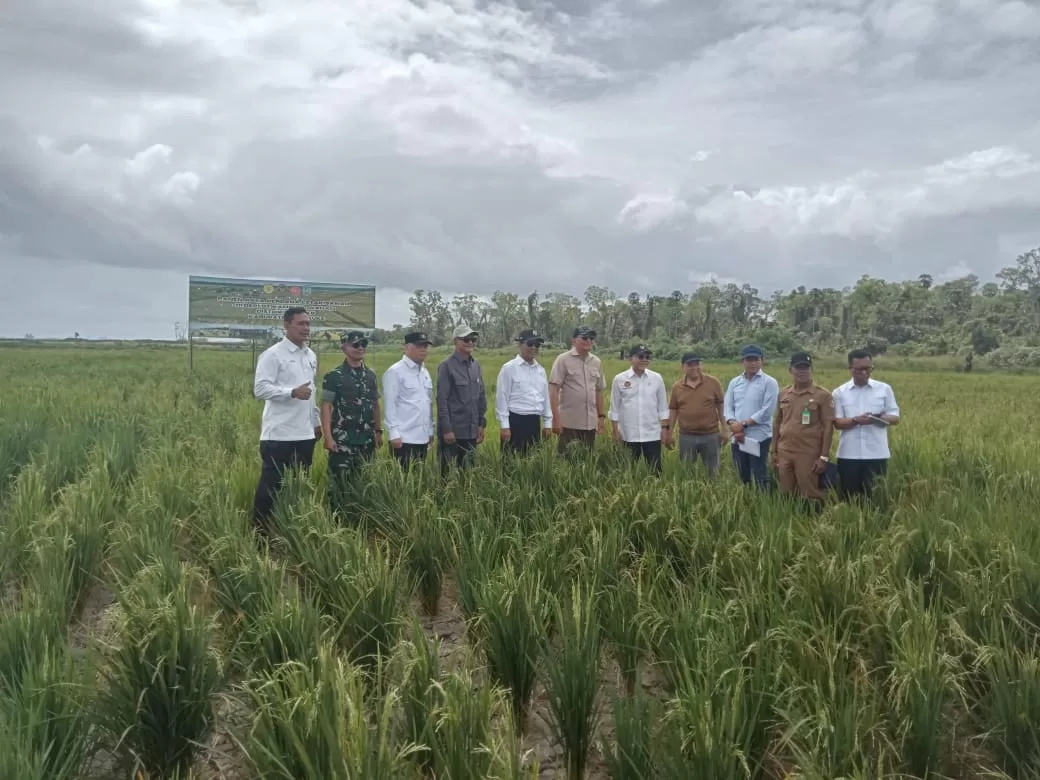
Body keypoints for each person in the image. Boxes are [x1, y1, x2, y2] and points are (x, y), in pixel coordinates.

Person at [251, 306, 322, 529]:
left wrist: (316, 422)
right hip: (279, 434)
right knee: (271, 487)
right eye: (301, 323)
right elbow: (260, 389)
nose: (306, 328)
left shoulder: (310, 355)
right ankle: (260, 532)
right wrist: (291, 392)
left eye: (308, 324)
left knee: (298, 485)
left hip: (304, 434)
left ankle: (291, 527)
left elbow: (312, 393)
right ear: (286, 325)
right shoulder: (273, 355)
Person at [320, 330, 381, 518]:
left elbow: (375, 405)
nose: (360, 348)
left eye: (364, 344)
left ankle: (360, 517)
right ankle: (337, 521)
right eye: (356, 344)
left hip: (366, 441)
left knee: (364, 483)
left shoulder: (371, 375)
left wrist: (378, 432)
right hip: (342, 442)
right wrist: (328, 437)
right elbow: (326, 407)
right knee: (339, 485)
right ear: (344, 347)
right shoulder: (334, 376)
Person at [832, 348, 901, 500]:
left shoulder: (884, 389)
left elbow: (895, 417)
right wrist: (856, 420)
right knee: (848, 498)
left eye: (867, 369)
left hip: (876, 453)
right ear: (850, 369)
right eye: (859, 369)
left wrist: (882, 418)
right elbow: (837, 422)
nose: (864, 373)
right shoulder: (839, 392)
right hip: (849, 454)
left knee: (875, 497)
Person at [770, 352, 835, 509]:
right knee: (786, 490)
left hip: (808, 452)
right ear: (790, 370)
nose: (801, 371)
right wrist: (774, 451)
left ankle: (813, 523)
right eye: (798, 367)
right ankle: (789, 521)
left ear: (811, 369)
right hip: (785, 450)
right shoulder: (784, 393)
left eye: (805, 368)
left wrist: (824, 457)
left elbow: (828, 427)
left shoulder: (822, 395)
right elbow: (778, 422)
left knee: (809, 491)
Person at [724, 344, 779, 491]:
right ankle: (746, 503)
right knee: (742, 474)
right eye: (749, 360)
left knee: (759, 474)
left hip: (758, 437)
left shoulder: (769, 382)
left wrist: (742, 424)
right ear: (742, 361)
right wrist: (732, 422)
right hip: (737, 437)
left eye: (756, 359)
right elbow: (728, 406)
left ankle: (763, 505)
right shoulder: (735, 383)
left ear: (762, 361)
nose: (752, 363)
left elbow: (767, 411)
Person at [608, 345, 670, 474]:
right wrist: (615, 431)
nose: (644, 360)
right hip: (628, 434)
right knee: (628, 471)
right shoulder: (620, 379)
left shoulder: (656, 378)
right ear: (631, 358)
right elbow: (614, 408)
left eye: (647, 357)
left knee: (655, 471)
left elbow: (663, 407)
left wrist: (665, 429)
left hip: (652, 434)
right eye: (640, 356)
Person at [666, 352, 726, 479]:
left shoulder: (713, 382)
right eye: (690, 365)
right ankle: (690, 495)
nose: (694, 368)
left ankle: (711, 494)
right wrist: (669, 433)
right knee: (686, 472)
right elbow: (673, 410)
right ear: (683, 367)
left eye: (697, 364)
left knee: (713, 472)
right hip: (687, 436)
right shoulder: (677, 387)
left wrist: (725, 429)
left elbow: (721, 405)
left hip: (710, 435)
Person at [436, 324, 487, 474]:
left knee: (468, 474)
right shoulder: (446, 366)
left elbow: (481, 396)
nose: (470, 342)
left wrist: (481, 424)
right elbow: (442, 400)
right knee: (448, 475)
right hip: (453, 433)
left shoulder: (475, 365)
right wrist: (447, 430)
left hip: (471, 432)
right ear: (455, 341)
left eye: (473, 339)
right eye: (466, 339)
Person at [382, 331, 435, 470]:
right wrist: (393, 434)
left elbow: (427, 404)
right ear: (406, 347)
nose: (423, 349)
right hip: (404, 439)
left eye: (425, 346)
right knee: (403, 482)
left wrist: (430, 431)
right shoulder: (395, 372)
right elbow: (389, 405)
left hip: (422, 438)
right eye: (418, 346)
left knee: (419, 480)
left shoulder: (424, 372)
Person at [548, 326, 606, 453]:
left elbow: (599, 390)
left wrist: (601, 417)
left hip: (590, 423)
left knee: (587, 459)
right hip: (568, 422)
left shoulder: (596, 362)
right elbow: (553, 389)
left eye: (591, 338)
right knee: (566, 460)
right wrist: (555, 419)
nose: (588, 341)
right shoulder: (563, 359)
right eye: (584, 337)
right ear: (574, 340)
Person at [495, 328, 553, 455]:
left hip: (534, 422)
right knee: (511, 463)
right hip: (516, 422)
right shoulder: (509, 368)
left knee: (533, 463)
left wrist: (548, 423)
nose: (534, 348)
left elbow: (545, 398)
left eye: (537, 345)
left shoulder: (540, 370)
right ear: (520, 344)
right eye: (530, 344)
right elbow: (502, 398)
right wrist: (505, 426)